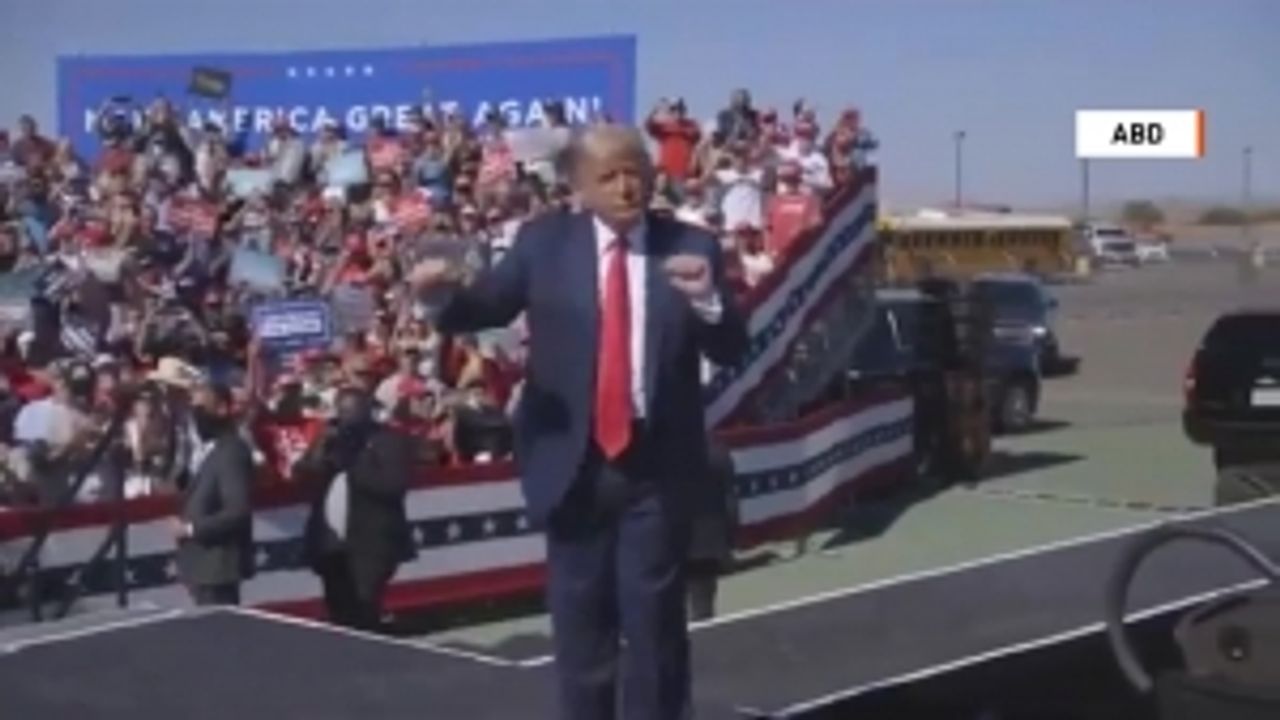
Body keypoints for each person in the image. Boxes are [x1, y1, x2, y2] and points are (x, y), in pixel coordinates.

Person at [411, 125, 750, 720]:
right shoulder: (544, 244)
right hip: (572, 469)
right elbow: (487, 305)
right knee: (582, 634)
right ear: (578, 186)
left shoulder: (691, 245)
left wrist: (706, 301)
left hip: (655, 469)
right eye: (609, 176)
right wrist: (439, 298)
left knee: (654, 629)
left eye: (635, 172)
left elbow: (731, 348)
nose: (626, 187)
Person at [296, 386, 415, 633]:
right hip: (331, 541)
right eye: (343, 412)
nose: (347, 418)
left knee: (364, 609)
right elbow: (302, 472)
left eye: (353, 412)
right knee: (338, 611)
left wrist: (354, 463)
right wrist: (322, 447)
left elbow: (393, 486)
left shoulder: (387, 440)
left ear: (367, 411)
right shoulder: (330, 440)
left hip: (371, 543)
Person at [172, 381, 254, 606]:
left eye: (201, 409)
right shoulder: (208, 451)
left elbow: (237, 510)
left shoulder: (231, 451)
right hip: (203, 568)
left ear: (222, 408)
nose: (197, 416)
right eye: (194, 410)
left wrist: (191, 529)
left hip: (218, 567)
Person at [686, 436, 739, 622]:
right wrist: (730, 542)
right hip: (706, 546)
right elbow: (730, 503)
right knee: (703, 613)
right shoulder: (718, 453)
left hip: (668, 544)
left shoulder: (660, 456)